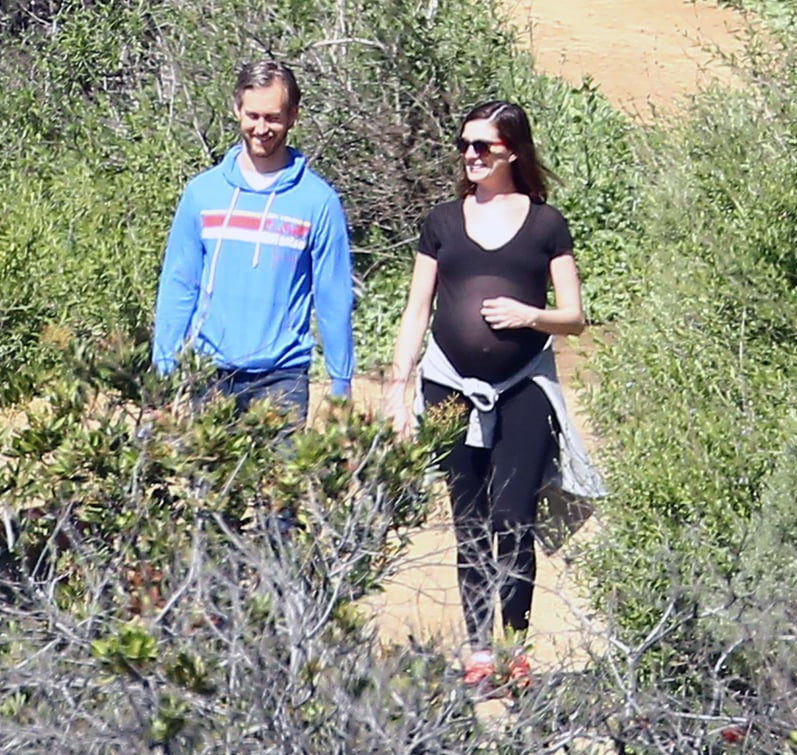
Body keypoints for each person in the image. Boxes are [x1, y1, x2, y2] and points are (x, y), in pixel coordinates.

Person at [382, 101, 606, 692]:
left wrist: (530, 315)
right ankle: (477, 651)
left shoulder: (546, 224)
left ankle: (513, 652)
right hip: (448, 385)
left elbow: (575, 316)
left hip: (524, 386)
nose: (471, 156)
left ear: (513, 150)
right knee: (470, 520)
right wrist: (398, 390)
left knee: (513, 518)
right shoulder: (442, 222)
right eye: (465, 145)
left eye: (483, 146)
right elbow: (416, 309)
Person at [152, 60, 354, 422]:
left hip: (282, 379)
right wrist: (163, 372)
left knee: (280, 481)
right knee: (210, 480)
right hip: (209, 375)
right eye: (253, 116)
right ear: (237, 110)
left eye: (273, 117)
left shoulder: (318, 201)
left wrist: (341, 384)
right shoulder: (202, 193)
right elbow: (179, 285)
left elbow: (332, 297)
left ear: (293, 116)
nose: (262, 128)